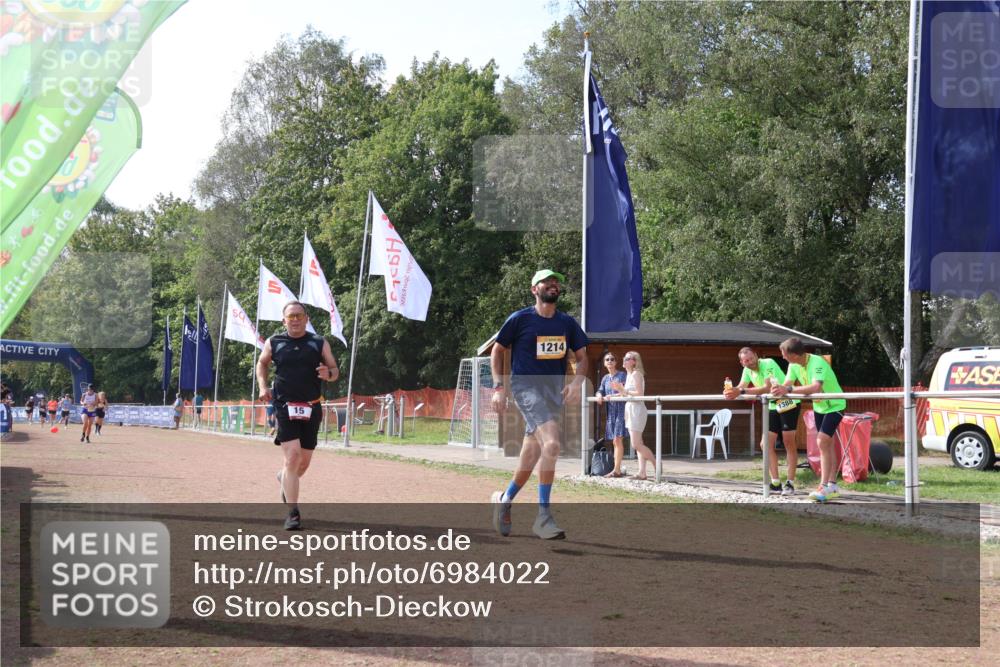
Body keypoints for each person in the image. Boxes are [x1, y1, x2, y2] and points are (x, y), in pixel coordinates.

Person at [490, 269, 588, 540]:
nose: (553, 285)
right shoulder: (520, 319)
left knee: (530, 456)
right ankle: (543, 516)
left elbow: (582, 357)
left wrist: (577, 382)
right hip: (525, 388)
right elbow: (497, 351)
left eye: (556, 281)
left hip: (552, 394)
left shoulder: (567, 323)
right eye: (547, 281)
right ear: (535, 289)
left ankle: (505, 499)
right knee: (553, 444)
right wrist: (499, 387)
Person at [257, 300, 339, 531]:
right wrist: (263, 387)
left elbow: (334, 371)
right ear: (284, 320)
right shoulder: (274, 342)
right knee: (292, 458)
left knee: (302, 463)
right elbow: (262, 364)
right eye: (290, 316)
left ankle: (284, 477)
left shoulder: (318, 343)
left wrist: (328, 373)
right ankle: (292, 513)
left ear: (306, 319)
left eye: (298, 316)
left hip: (312, 406)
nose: (294, 319)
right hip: (284, 406)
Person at [772, 337, 847, 503]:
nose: (783, 357)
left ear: (795, 355)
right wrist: (778, 390)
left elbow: (815, 387)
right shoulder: (793, 365)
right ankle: (832, 485)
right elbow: (787, 384)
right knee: (826, 444)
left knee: (822, 442)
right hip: (820, 407)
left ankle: (824, 486)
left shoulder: (817, 362)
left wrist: (788, 389)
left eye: (785, 354)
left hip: (835, 405)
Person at [724, 347, 800, 495]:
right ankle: (776, 483)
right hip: (772, 405)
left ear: (756, 356)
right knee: (765, 444)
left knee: (788, 442)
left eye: (751, 358)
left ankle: (790, 483)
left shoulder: (768, 362)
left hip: (788, 402)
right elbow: (740, 387)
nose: (749, 362)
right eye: (746, 361)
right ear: (741, 362)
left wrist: (740, 391)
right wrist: (730, 391)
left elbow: (766, 387)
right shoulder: (746, 370)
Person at [615, 351, 657, 480]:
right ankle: (642, 473)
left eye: (627, 358)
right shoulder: (629, 375)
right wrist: (615, 394)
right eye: (624, 358)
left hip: (637, 409)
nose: (624, 360)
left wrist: (624, 390)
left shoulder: (636, 374)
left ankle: (657, 465)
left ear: (634, 361)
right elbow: (627, 393)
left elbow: (639, 394)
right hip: (631, 408)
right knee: (639, 442)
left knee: (635, 444)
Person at [594, 352, 627, 477]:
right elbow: (600, 390)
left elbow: (624, 391)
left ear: (616, 362)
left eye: (612, 359)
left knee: (617, 440)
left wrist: (611, 396)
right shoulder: (605, 378)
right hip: (611, 413)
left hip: (621, 411)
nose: (610, 361)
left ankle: (617, 470)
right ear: (604, 363)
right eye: (607, 359)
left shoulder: (622, 375)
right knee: (614, 441)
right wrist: (598, 395)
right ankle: (616, 468)